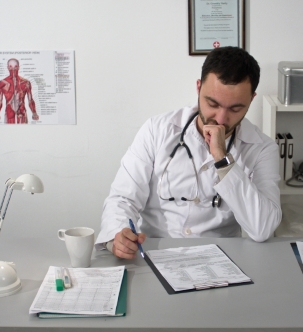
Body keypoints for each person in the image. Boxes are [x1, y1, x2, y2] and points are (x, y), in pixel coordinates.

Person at [95, 47, 281, 259]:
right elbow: (122, 199)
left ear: (252, 99)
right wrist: (118, 236)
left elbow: (263, 227)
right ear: (198, 88)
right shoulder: (157, 130)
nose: (220, 119)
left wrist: (223, 160)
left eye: (235, 109)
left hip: (221, 258)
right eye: (213, 104)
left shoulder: (262, 149)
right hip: (154, 253)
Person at [0, 58, 39, 123]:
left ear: (18, 67)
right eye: (10, 67)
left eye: (15, 67)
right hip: (9, 114)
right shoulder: (3, 83)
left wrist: (34, 113)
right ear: (7, 67)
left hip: (22, 113)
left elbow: (30, 100)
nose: (13, 69)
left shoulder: (26, 82)